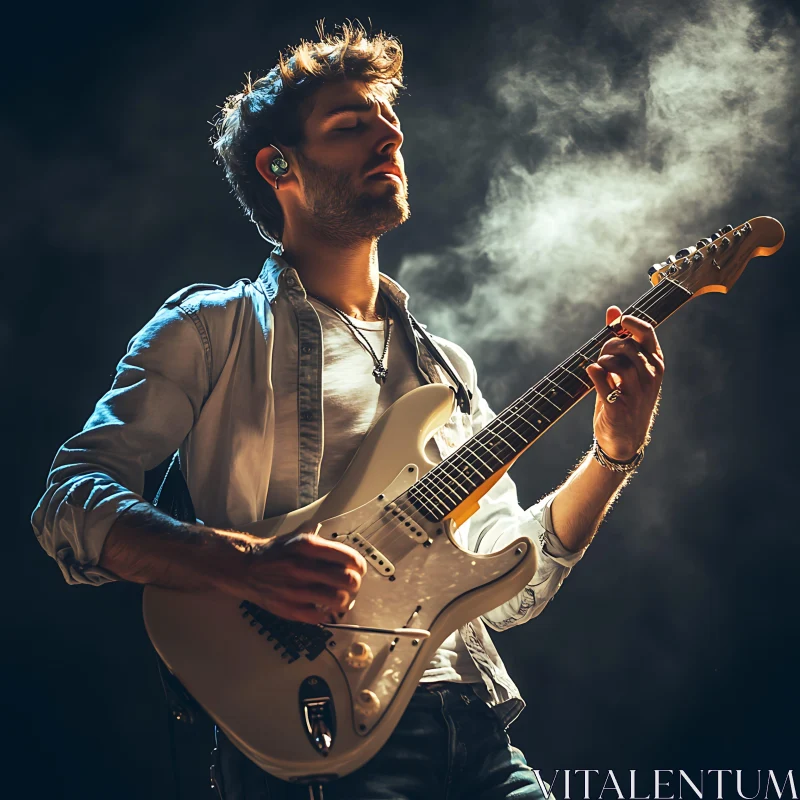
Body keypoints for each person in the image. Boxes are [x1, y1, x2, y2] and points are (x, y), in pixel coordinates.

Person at [31, 21, 664, 800]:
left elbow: (515, 583)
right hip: (319, 730)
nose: (388, 137)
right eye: (351, 125)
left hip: (479, 729)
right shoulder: (213, 327)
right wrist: (248, 566)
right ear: (279, 166)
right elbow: (69, 504)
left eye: (390, 123)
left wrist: (612, 455)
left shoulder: (447, 369)